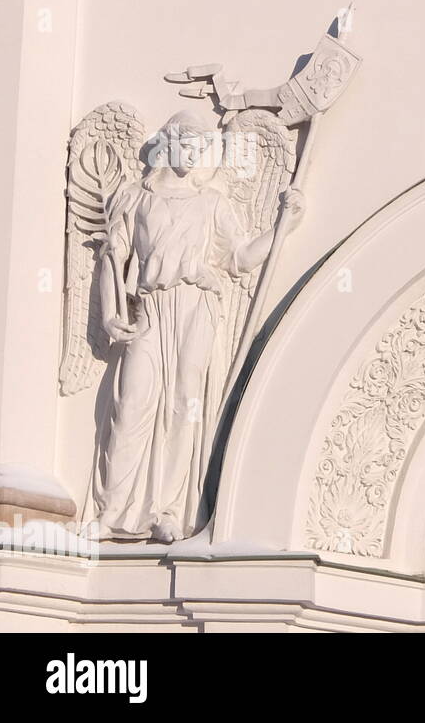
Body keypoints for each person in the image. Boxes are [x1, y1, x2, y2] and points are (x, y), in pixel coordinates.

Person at [91, 110, 303, 542]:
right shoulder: (136, 197)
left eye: (199, 146)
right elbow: (113, 259)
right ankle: (112, 511)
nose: (192, 153)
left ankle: (167, 510)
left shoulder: (212, 203)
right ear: (167, 143)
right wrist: (113, 313)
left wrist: (284, 225)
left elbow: (239, 258)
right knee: (132, 402)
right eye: (186, 143)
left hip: (196, 305)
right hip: (151, 307)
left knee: (183, 404)